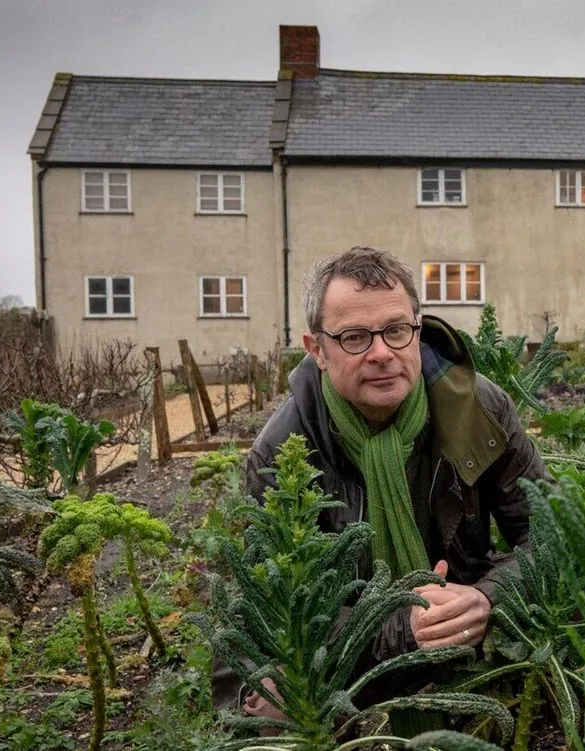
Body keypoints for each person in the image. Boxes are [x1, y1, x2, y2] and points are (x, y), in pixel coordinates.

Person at [213, 246, 547, 724]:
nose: (381, 353)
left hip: (464, 624)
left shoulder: (478, 409)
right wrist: (402, 628)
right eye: (354, 337)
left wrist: (489, 596)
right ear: (318, 351)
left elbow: (554, 534)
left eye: (396, 330)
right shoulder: (283, 451)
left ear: (417, 328)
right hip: (350, 652)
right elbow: (280, 614)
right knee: (274, 703)